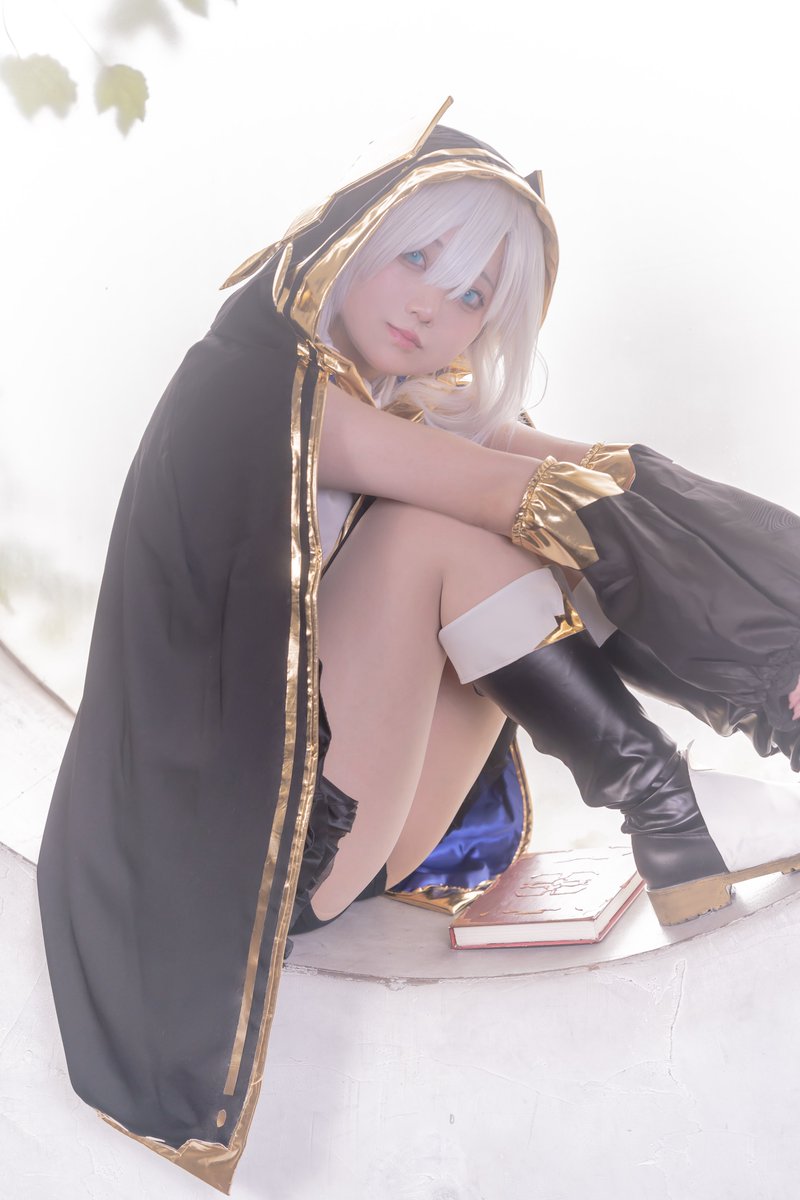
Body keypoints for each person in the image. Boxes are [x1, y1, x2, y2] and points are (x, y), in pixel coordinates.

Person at [36, 103, 800, 1192]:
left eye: (474, 296)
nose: (434, 305)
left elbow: (611, 480)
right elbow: (525, 496)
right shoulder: (255, 384)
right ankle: (666, 806)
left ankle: (688, 792)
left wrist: (781, 645)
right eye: (417, 257)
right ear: (352, 239)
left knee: (538, 519)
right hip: (244, 857)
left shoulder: (390, 402)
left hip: (369, 836)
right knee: (435, 533)